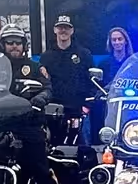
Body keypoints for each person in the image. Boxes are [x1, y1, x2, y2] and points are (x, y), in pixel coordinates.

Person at [0, 23, 65, 184]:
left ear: (24, 45)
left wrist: (39, 100)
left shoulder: (34, 68)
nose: (14, 47)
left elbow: (47, 89)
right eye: (9, 43)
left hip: (29, 123)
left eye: (17, 43)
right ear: (3, 45)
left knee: (39, 167)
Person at [40, 15, 97, 146]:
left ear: (72, 31)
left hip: (79, 112)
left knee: (82, 150)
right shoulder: (46, 57)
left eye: (66, 28)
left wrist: (87, 107)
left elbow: (93, 82)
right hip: (54, 113)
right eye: (60, 28)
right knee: (52, 150)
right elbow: (43, 84)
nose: (63, 31)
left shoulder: (84, 55)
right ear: (55, 30)